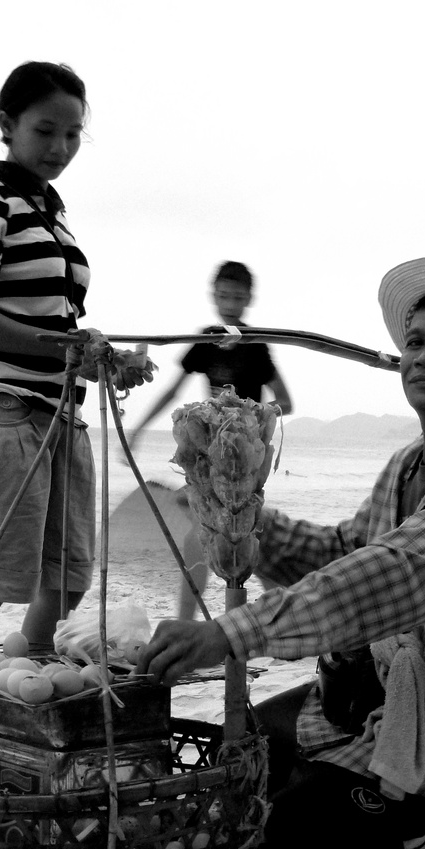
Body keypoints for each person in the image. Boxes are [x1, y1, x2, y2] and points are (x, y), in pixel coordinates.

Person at [137, 255, 425, 849]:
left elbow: (393, 575)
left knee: (268, 834)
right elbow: (344, 553)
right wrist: (236, 514)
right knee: (238, 756)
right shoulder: (408, 464)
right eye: (415, 342)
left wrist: (229, 633)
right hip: (367, 701)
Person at [0, 61, 151, 718]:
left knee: (66, 578)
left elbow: (47, 321)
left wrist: (93, 356)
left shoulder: (49, 214)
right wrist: (65, 348)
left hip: (56, 417)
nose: (59, 148)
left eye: (72, 135)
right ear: (6, 126)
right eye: (45, 130)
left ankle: (19, 706)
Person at [127, 261, 293, 619]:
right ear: (213, 296)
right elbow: (172, 391)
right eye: (222, 295)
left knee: (249, 541)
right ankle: (189, 624)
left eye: (236, 297)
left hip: (247, 464)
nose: (229, 303)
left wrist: (249, 416)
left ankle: (275, 621)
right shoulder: (207, 340)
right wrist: (137, 430)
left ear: (249, 299)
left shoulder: (255, 343)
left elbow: (286, 401)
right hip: (209, 458)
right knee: (199, 540)